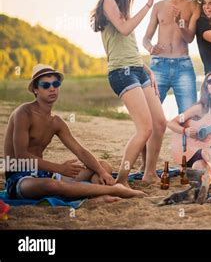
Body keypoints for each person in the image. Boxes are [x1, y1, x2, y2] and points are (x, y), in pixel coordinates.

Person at [3, 64, 145, 201]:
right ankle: (116, 190)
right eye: (46, 85)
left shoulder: (55, 122)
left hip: (44, 173)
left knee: (103, 166)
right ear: (35, 90)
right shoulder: (24, 113)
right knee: (52, 185)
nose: (52, 88)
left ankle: (98, 193)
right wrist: (60, 168)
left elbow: (80, 151)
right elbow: (21, 155)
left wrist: (101, 172)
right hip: (20, 177)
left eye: (55, 84)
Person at [91, 0, 166, 185]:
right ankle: (122, 181)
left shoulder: (123, 9)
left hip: (137, 70)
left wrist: (147, 68)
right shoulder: (109, 2)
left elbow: (127, 46)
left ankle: (148, 173)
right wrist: (148, 6)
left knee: (160, 123)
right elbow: (124, 29)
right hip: (121, 74)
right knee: (145, 129)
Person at [143, 0, 200, 113]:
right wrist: (150, 47)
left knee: (189, 117)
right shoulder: (158, 6)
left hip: (183, 67)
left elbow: (190, 38)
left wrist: (179, 22)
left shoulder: (194, 6)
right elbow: (146, 38)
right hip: (158, 66)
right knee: (151, 115)